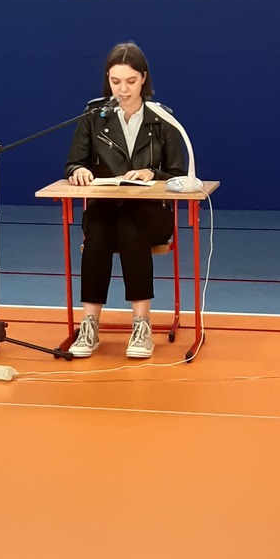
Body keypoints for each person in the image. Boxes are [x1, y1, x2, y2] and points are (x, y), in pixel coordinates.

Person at [65, 42, 186, 359]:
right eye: (116, 81)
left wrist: (152, 173)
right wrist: (78, 171)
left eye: (131, 81)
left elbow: (178, 173)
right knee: (98, 233)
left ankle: (142, 324)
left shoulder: (162, 118)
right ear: (108, 79)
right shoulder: (94, 116)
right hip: (105, 208)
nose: (123, 89)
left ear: (143, 78)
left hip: (150, 212)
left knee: (131, 230)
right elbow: (73, 163)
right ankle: (89, 325)